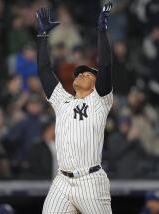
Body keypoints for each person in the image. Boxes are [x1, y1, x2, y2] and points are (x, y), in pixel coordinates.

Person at [36, 2, 113, 213]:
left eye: (87, 73)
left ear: (96, 82)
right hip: (62, 179)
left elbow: (105, 65)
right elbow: (44, 71)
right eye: (78, 72)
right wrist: (42, 38)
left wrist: (101, 32)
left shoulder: (100, 101)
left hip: (90, 180)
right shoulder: (63, 100)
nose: (80, 74)